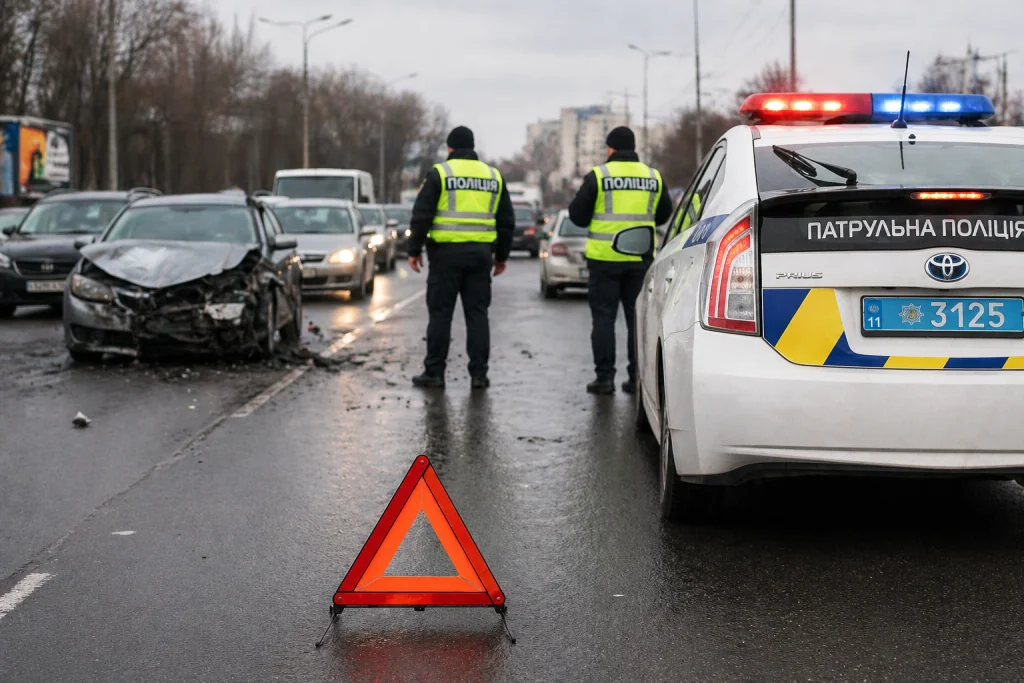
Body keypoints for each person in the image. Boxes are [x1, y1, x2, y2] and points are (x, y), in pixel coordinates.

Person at [407, 126, 515, 390]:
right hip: (480, 257)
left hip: (445, 256)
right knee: (477, 315)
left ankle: (434, 373)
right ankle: (479, 375)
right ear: (473, 147)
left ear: (450, 148)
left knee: (441, 315)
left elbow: (422, 215)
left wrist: (413, 250)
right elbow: (506, 222)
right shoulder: (493, 176)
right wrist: (501, 257)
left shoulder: (440, 173)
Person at [568, 126, 673, 395]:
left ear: (611, 148)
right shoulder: (653, 177)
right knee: (636, 320)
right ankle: (636, 378)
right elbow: (663, 216)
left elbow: (577, 216)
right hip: (639, 261)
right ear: (633, 147)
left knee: (603, 319)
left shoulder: (598, 176)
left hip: (604, 261)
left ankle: (604, 379)